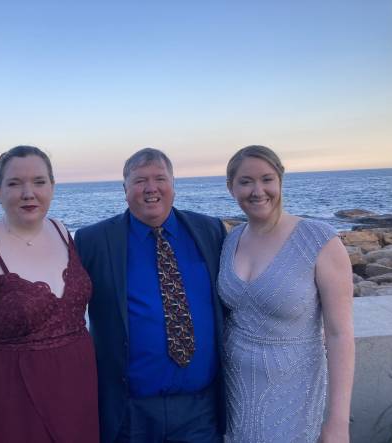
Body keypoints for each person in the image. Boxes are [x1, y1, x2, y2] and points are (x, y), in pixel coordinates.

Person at [0, 146, 99, 443]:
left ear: (52, 187)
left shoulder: (61, 231)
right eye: (14, 183)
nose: (28, 193)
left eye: (39, 182)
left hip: (77, 398)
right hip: (10, 408)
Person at [75, 148, 226, 442]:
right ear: (125, 189)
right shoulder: (93, 241)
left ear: (173, 184)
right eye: (140, 180)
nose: (151, 188)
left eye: (160, 178)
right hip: (129, 413)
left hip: (200, 411)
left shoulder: (210, 231)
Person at [218, 145, 355, 443]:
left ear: (280, 180)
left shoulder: (318, 240)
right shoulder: (231, 239)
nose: (258, 191)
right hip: (233, 393)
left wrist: (337, 423)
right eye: (245, 181)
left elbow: (339, 335)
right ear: (231, 188)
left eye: (267, 179)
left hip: (293, 393)